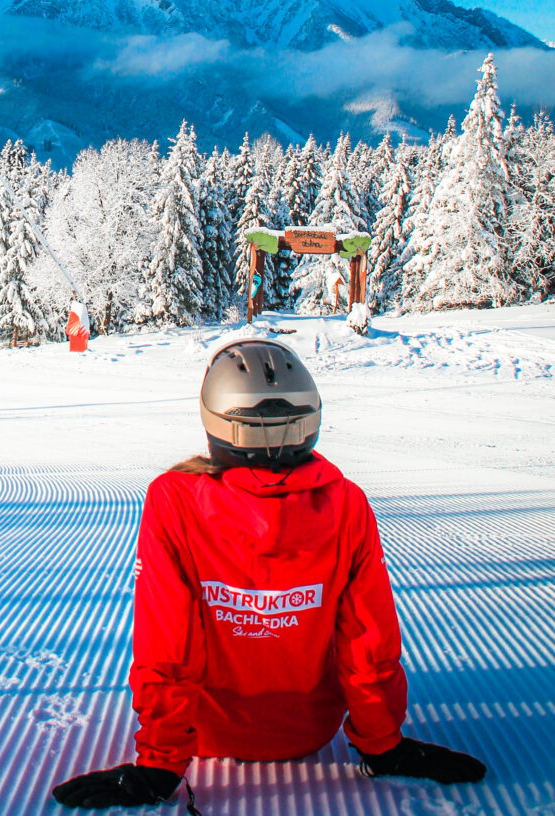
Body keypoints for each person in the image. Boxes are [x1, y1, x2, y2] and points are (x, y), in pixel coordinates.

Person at [53, 337, 486, 811]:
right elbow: (368, 638)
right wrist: (384, 744)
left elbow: (167, 642)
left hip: (208, 734)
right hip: (310, 734)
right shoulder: (346, 504)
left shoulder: (174, 500)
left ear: (218, 421)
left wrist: (159, 763)